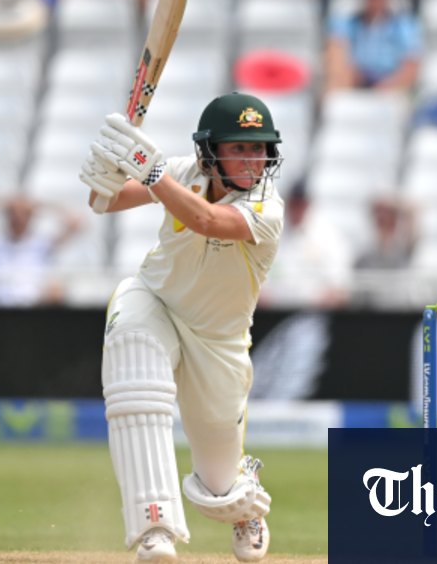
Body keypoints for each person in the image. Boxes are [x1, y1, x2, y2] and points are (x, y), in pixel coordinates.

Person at [78, 92, 286, 562]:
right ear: (210, 151)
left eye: (258, 148)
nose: (251, 159)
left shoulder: (267, 208)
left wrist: (150, 172)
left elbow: (206, 219)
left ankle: (244, 499)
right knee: (133, 366)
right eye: (238, 147)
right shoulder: (183, 171)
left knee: (219, 486)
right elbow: (104, 202)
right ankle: (155, 528)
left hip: (217, 341)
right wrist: (106, 169)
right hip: (155, 300)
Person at [0, 193, 82, 307]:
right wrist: (2, 201)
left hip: (32, 311)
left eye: (24, 214)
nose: (17, 218)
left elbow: (76, 221)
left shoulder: (43, 245)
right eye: (12, 213)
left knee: (57, 291)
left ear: (31, 217)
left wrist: (38, 205)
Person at [324, 0, 422, 94]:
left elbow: (411, 64)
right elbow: (336, 55)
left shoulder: (404, 25)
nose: (375, 0)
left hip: (390, 82)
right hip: (353, 79)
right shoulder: (346, 22)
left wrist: (385, 87)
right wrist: (349, 74)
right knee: (334, 61)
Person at [261, 180, 353, 308]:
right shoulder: (270, 234)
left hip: (317, 312)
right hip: (273, 312)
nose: (297, 210)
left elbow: (339, 286)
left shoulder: (329, 238)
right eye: (294, 204)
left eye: (301, 204)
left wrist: (317, 303)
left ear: (308, 205)